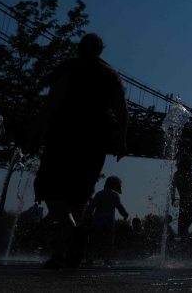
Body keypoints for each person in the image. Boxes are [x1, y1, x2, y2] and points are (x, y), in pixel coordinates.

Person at [33, 33, 129, 269]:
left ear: (79, 48)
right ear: (101, 50)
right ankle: (61, 255)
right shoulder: (112, 74)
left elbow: (52, 101)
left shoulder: (69, 67)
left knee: (47, 187)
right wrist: (122, 140)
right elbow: (122, 110)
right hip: (97, 136)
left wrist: (37, 129)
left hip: (66, 132)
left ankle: (72, 232)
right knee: (79, 194)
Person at [86, 176, 129, 266]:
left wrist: (87, 215)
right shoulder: (114, 195)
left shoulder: (99, 194)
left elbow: (92, 206)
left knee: (93, 242)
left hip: (96, 222)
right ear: (117, 186)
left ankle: (89, 259)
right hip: (108, 224)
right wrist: (125, 215)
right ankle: (107, 259)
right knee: (108, 242)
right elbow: (119, 207)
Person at [171, 154, 192, 244]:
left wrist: (173, 199)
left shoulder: (178, 175)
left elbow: (172, 187)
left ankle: (190, 246)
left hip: (187, 205)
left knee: (182, 229)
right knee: (183, 229)